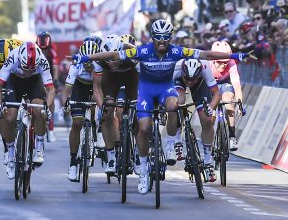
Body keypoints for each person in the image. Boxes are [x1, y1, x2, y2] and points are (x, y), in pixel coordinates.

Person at [71, 19, 249, 195]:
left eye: (165, 37)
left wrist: (234, 56)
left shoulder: (177, 51)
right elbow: (113, 56)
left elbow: (205, 55)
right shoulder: (142, 50)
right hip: (146, 91)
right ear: (153, 38)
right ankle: (143, 168)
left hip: (166, 89)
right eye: (158, 37)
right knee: (144, 127)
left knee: (174, 105)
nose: (162, 41)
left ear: (170, 38)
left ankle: (170, 144)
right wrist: (86, 57)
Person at [0, 41, 55, 179]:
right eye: (25, 68)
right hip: (15, 82)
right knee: (9, 117)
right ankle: (10, 154)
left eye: (31, 69)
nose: (27, 72)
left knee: (39, 111)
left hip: (34, 82)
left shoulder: (42, 61)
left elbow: (50, 89)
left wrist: (47, 106)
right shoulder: (13, 57)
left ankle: (38, 148)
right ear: (20, 60)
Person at [92, 34, 138, 175]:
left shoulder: (132, 54)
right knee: (107, 113)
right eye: (108, 60)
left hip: (132, 77)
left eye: (114, 59)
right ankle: (111, 155)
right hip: (111, 79)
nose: (112, 62)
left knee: (139, 114)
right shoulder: (99, 60)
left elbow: (144, 81)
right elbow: (97, 88)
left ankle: (137, 152)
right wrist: (101, 108)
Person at [173, 58, 220, 182]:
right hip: (178, 82)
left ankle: (208, 161)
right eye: (187, 79)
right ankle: (177, 140)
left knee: (208, 121)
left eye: (192, 79)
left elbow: (217, 93)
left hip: (201, 85)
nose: (189, 82)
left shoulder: (205, 68)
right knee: (179, 101)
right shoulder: (177, 68)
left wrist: (211, 107)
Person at [61, 40, 101, 181]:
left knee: (101, 109)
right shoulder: (76, 66)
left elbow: (101, 90)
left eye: (91, 62)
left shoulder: (101, 65)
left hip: (98, 87)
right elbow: (66, 90)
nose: (89, 66)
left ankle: (99, 132)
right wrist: (65, 103)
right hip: (80, 88)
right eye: (86, 63)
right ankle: (73, 162)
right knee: (77, 123)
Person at [209, 41, 244, 151]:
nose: (223, 65)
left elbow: (237, 85)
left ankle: (232, 137)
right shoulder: (207, 63)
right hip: (211, 85)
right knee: (211, 114)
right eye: (220, 62)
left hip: (225, 84)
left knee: (228, 103)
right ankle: (209, 139)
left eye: (226, 62)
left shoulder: (231, 63)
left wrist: (239, 104)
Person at [36, 31, 59, 142]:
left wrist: (55, 80)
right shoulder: (34, 47)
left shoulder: (52, 50)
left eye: (45, 38)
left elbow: (55, 66)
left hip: (47, 75)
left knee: (51, 98)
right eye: (42, 38)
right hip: (35, 76)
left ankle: (51, 130)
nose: (44, 40)